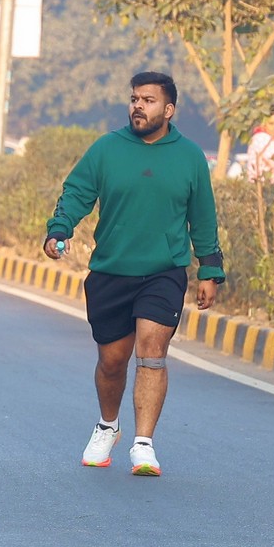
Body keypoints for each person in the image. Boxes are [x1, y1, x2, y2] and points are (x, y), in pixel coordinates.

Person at [43, 70, 226, 478]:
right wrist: (60, 230)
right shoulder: (107, 149)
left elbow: (203, 217)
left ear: (169, 109)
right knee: (112, 361)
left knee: (152, 351)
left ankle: (144, 443)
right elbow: (77, 193)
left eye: (148, 100)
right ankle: (108, 426)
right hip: (112, 270)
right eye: (134, 99)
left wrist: (209, 270)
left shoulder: (189, 157)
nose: (138, 106)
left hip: (164, 271)